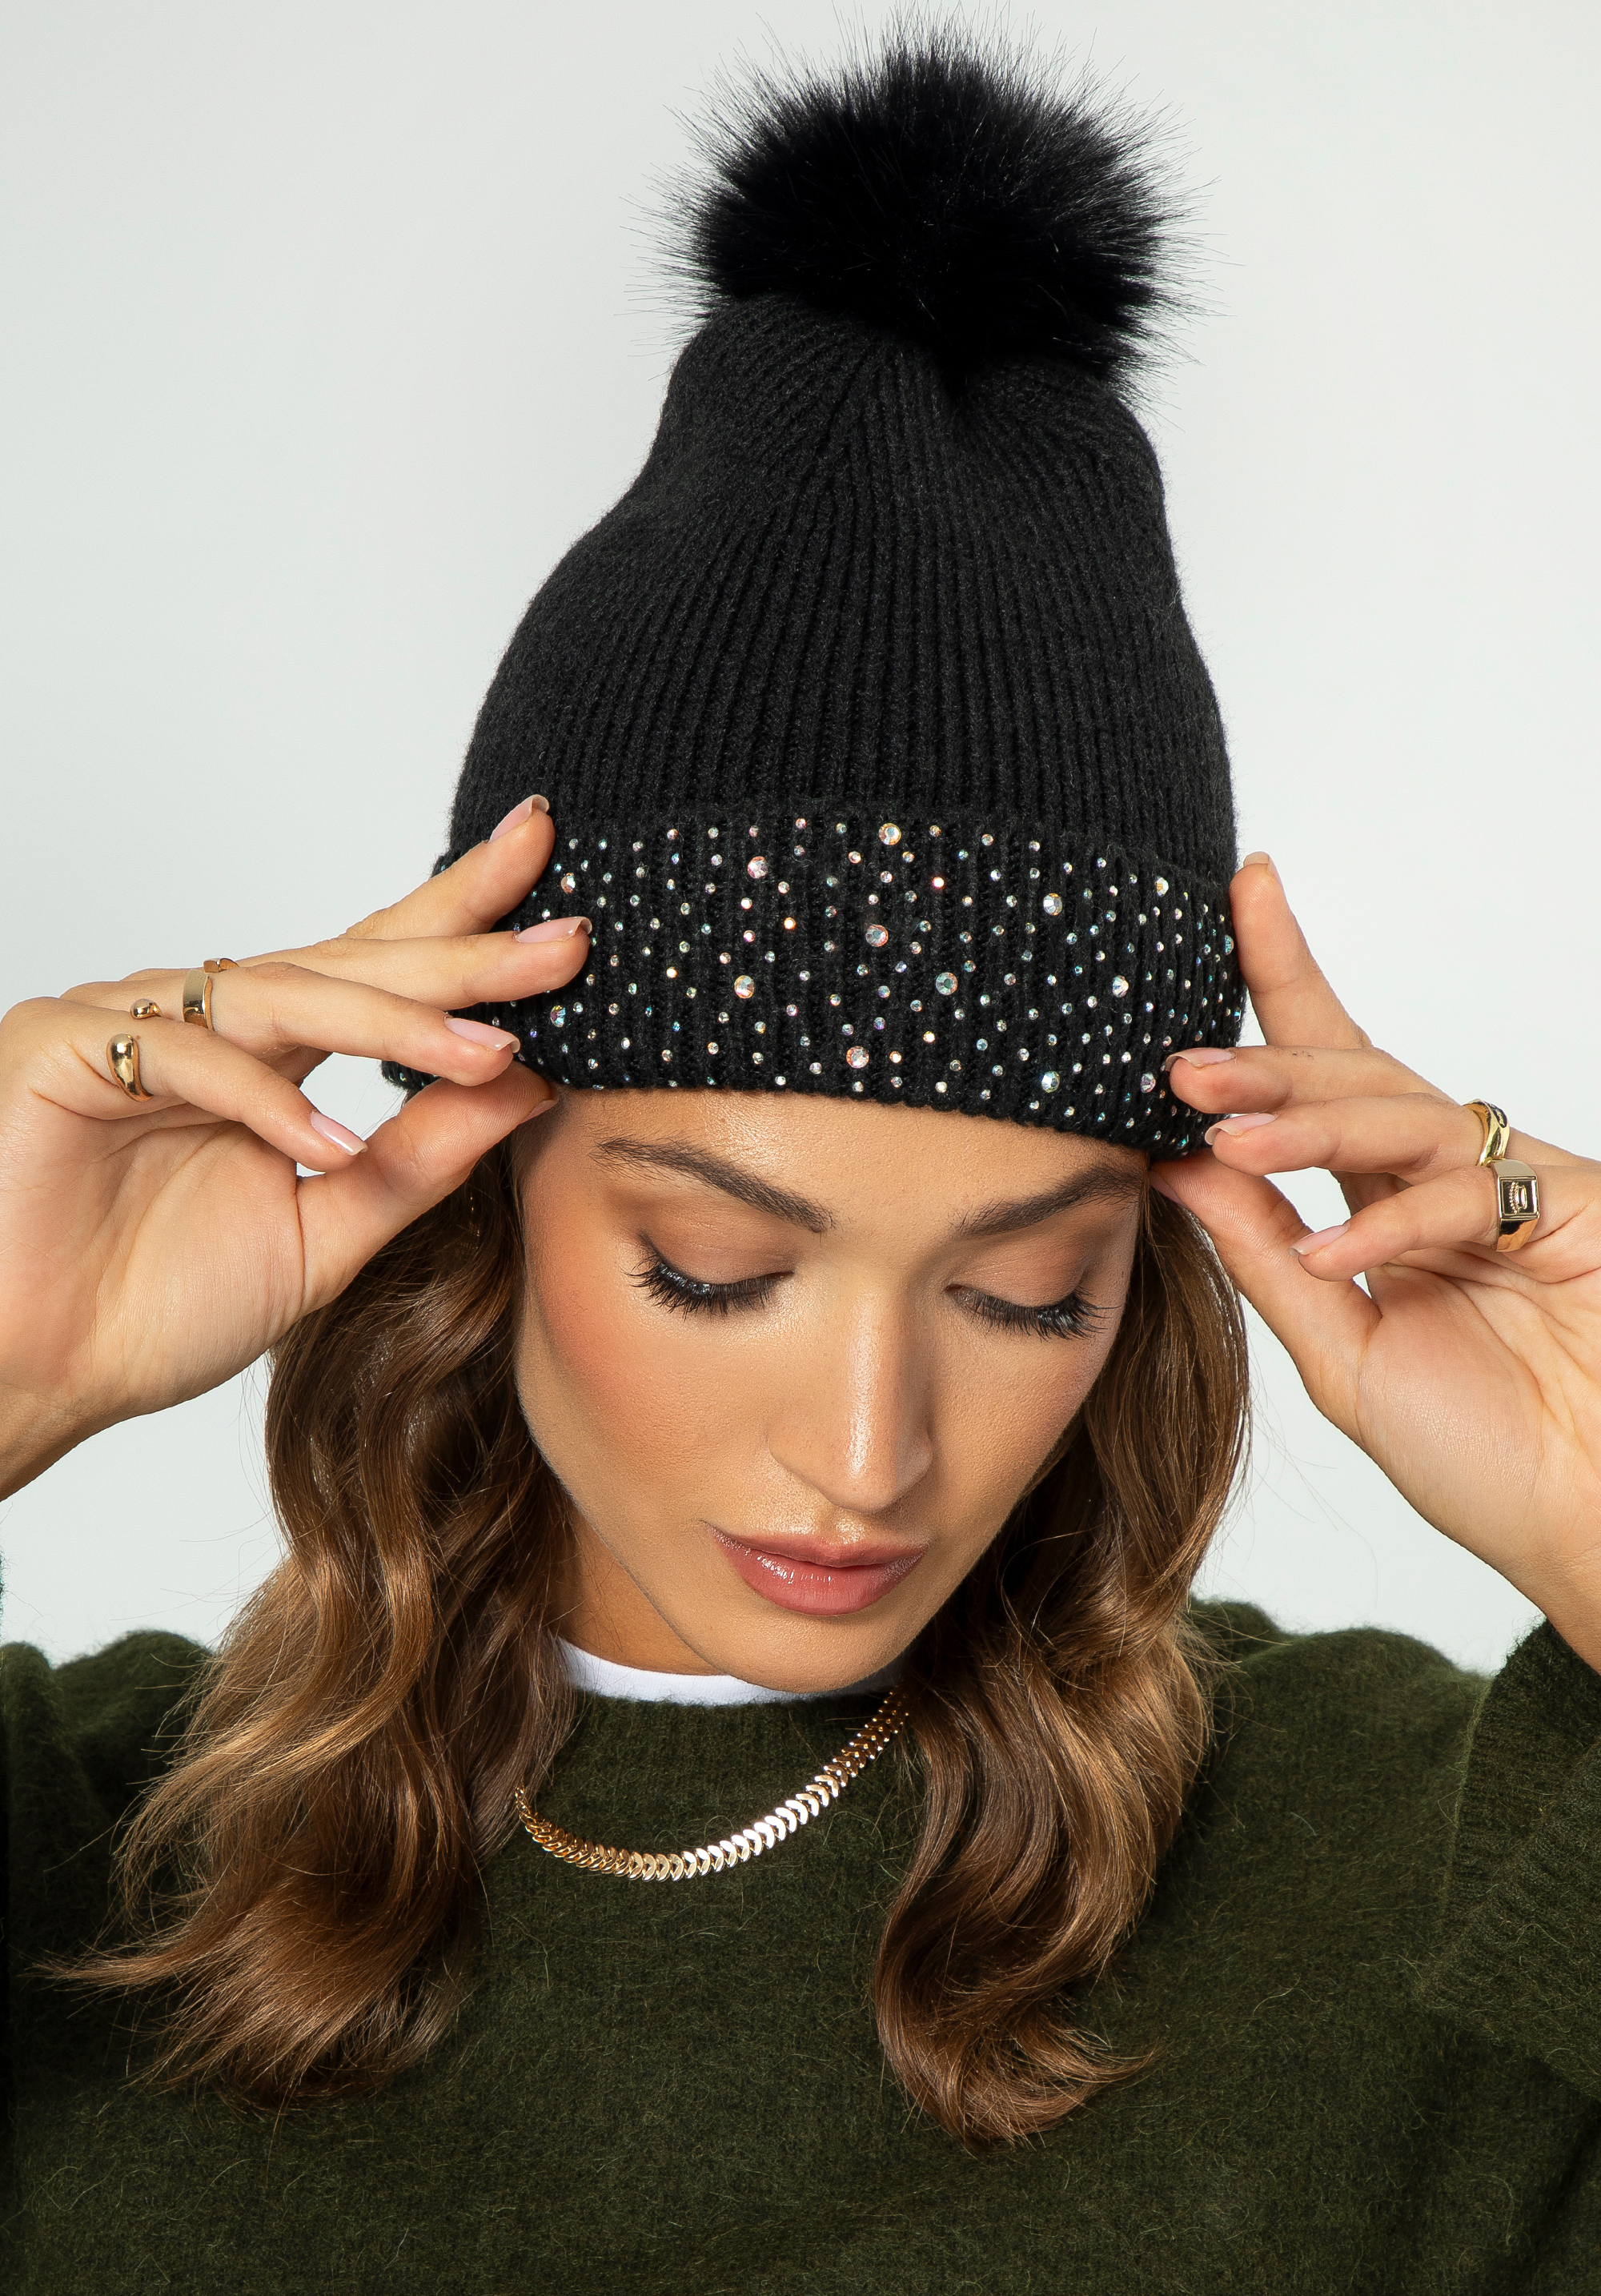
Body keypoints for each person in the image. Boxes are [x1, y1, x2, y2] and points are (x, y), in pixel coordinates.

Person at [2, 32, 1598, 2294]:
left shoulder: (1430, 1885)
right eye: (714, 1265)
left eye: (1030, 1290)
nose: (870, 1456)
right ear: (485, 1181)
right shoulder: (81, 1867)